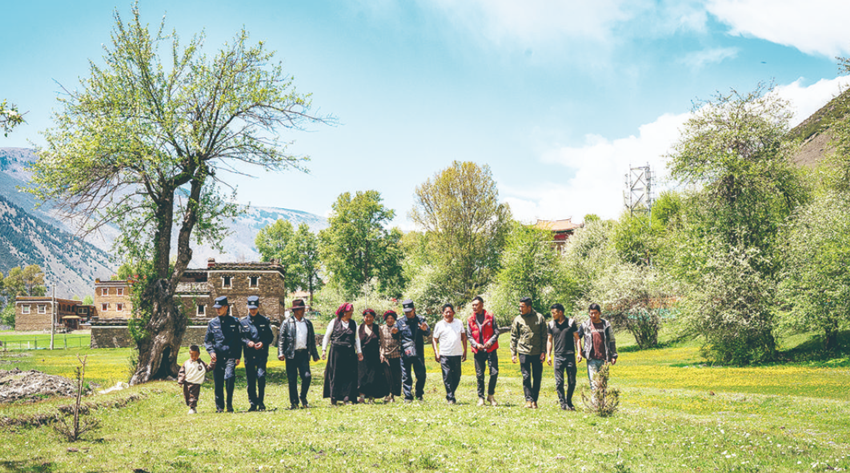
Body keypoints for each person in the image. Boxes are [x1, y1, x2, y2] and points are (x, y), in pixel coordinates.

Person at [278, 298, 320, 409]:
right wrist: (281, 352)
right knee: (292, 379)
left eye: (303, 309)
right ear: (295, 311)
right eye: (301, 309)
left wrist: (315, 355)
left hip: (304, 354)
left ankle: (303, 396)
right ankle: (294, 402)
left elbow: (311, 340)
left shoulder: (308, 323)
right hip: (291, 354)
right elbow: (281, 339)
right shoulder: (287, 323)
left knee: (307, 376)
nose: (303, 311)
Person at [204, 296, 242, 413]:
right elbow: (207, 341)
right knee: (218, 382)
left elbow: (238, 340)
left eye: (220, 308)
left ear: (226, 307)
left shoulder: (234, 322)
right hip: (218, 357)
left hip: (230, 355)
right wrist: (211, 351)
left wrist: (238, 356)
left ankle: (229, 404)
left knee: (229, 377)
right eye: (216, 308)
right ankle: (219, 407)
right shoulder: (212, 323)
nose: (217, 310)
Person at [322, 303, 363, 405]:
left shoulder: (353, 323)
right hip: (336, 352)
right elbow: (327, 336)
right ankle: (334, 397)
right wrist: (324, 350)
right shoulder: (334, 322)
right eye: (350, 311)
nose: (352, 313)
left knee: (349, 374)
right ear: (344, 312)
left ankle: (347, 397)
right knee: (335, 374)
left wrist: (359, 352)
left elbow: (356, 338)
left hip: (349, 352)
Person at [510, 297, 547, 409]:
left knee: (537, 377)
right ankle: (528, 400)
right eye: (519, 306)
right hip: (523, 351)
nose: (520, 309)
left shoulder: (539, 318)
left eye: (522, 307)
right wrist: (513, 353)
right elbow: (513, 336)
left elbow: (544, 336)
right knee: (526, 377)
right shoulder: (518, 319)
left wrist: (543, 351)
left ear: (529, 307)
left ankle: (535, 400)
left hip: (537, 352)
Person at [240, 295, 274, 412]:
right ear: (247, 307)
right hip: (249, 354)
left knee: (261, 376)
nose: (253, 310)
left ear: (259, 307)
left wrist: (263, 343)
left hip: (261, 354)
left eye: (255, 308)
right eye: (251, 308)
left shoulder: (265, 321)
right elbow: (240, 338)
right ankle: (253, 403)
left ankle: (261, 402)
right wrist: (247, 342)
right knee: (251, 380)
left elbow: (270, 337)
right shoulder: (243, 322)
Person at [546, 303, 582, 411]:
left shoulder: (571, 323)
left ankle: (569, 401)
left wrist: (579, 352)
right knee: (559, 382)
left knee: (572, 381)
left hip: (570, 355)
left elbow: (577, 338)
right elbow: (549, 340)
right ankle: (563, 403)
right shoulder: (551, 324)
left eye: (554, 313)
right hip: (558, 356)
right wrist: (548, 355)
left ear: (560, 312)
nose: (553, 315)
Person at [466, 295, 500, 407]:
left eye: (476, 305)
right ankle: (481, 398)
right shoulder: (470, 319)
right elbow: (469, 335)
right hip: (478, 351)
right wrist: (476, 345)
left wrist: (490, 341)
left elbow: (496, 332)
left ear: (482, 305)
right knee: (480, 375)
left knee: (494, 372)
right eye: (473, 305)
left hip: (490, 349)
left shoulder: (490, 316)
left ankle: (491, 395)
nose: (474, 307)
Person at [432, 303, 467, 405]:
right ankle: (451, 397)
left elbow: (464, 337)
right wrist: (436, 352)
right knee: (447, 376)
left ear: (454, 313)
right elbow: (434, 339)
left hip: (457, 354)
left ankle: (450, 393)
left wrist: (465, 350)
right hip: (444, 354)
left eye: (450, 312)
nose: (448, 314)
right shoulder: (439, 325)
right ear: (442, 313)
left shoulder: (459, 323)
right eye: (446, 312)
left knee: (457, 376)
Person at [396, 299, 429, 403]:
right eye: (406, 312)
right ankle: (408, 396)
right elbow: (395, 335)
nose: (408, 314)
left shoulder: (421, 320)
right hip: (405, 352)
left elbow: (428, 333)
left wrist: (424, 330)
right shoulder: (400, 321)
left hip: (418, 352)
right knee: (406, 376)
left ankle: (419, 394)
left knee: (421, 375)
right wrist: (394, 333)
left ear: (414, 309)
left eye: (409, 311)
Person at [580, 303, 618, 390]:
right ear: (589, 313)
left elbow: (612, 340)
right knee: (594, 385)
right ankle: (595, 399)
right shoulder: (585, 325)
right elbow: (577, 337)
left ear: (600, 313)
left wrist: (613, 355)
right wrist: (580, 351)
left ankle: (602, 399)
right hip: (591, 359)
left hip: (604, 359)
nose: (593, 315)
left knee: (602, 385)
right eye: (591, 313)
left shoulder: (606, 324)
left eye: (595, 313)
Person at [357, 308, 390, 403]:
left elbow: (382, 342)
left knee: (373, 376)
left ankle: (371, 397)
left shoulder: (377, 328)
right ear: (364, 317)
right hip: (362, 356)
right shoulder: (359, 328)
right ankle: (362, 396)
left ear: (373, 318)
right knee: (362, 376)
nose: (368, 319)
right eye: (366, 317)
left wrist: (382, 354)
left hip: (374, 356)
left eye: (370, 317)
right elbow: (356, 341)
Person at [177, 345, 212, 415]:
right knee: (187, 396)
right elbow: (182, 372)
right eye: (192, 355)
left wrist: (213, 363)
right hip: (187, 382)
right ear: (189, 354)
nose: (194, 357)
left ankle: (192, 407)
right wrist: (180, 381)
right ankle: (192, 406)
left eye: (196, 355)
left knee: (194, 396)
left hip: (196, 383)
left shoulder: (201, 363)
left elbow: (208, 369)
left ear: (199, 354)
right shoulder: (186, 363)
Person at [379, 309, 402, 402]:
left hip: (396, 355)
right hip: (385, 355)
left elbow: (401, 341)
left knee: (395, 376)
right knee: (386, 376)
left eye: (392, 318)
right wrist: (381, 353)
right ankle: (386, 395)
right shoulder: (381, 328)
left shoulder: (398, 328)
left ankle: (393, 395)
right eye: (388, 318)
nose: (390, 320)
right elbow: (379, 342)